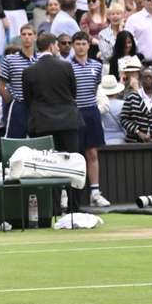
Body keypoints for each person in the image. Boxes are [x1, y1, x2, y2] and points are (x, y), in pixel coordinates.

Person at [22, 32, 83, 210]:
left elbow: (28, 100)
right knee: (72, 163)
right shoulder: (66, 67)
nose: (58, 48)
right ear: (51, 46)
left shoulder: (29, 71)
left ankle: (53, 207)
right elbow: (73, 94)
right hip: (68, 121)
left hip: (42, 124)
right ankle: (74, 208)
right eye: (57, 45)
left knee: (47, 167)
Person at [69, 32, 110, 208]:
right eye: (77, 43)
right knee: (73, 154)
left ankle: (95, 192)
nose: (80, 47)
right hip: (73, 113)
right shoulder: (67, 66)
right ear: (73, 45)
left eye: (83, 44)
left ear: (88, 46)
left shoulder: (97, 65)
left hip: (91, 112)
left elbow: (96, 88)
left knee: (92, 153)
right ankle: (70, 195)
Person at [0, 23, 38, 138]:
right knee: (14, 140)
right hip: (19, 106)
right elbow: (1, 87)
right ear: (20, 37)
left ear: (35, 37)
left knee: (38, 141)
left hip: (37, 106)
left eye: (30, 34)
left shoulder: (41, 59)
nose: (27, 37)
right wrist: (12, 101)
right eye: (24, 34)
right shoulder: (10, 59)